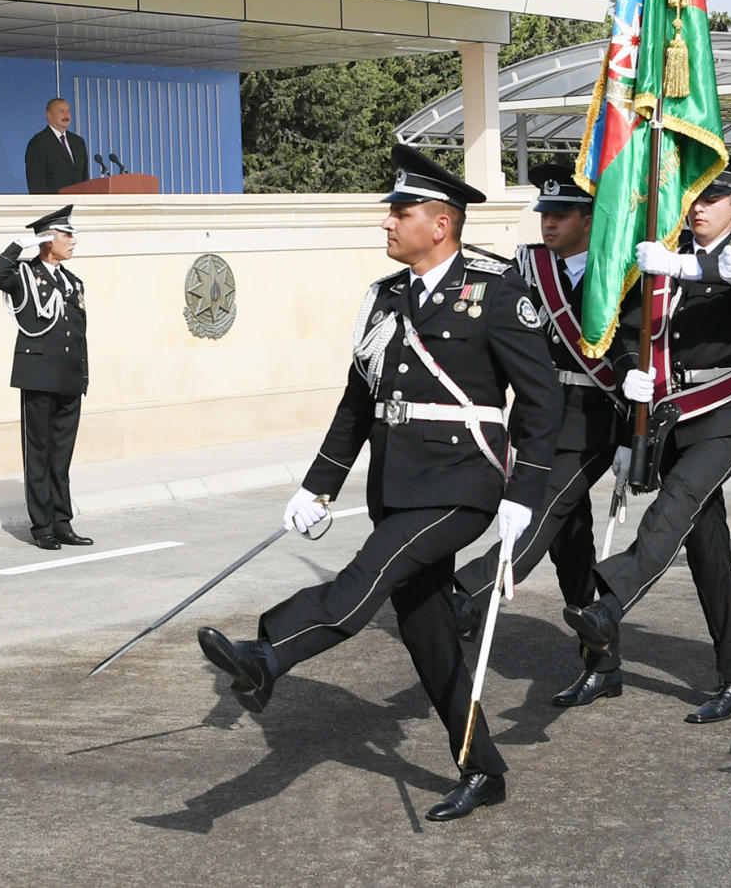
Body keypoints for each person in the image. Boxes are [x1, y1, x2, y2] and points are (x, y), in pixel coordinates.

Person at [195, 143, 562, 822]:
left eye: (401, 210)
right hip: (399, 484)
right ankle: (483, 766)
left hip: (464, 482)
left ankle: (269, 656)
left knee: (369, 572)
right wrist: (318, 485)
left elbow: (543, 403)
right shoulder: (386, 298)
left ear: (440, 224)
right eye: (390, 209)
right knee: (427, 636)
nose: (388, 221)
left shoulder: (496, 292)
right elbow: (358, 402)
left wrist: (524, 494)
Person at [563, 160, 731, 724]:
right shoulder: (665, 249)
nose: (699, 207)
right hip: (669, 414)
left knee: (675, 502)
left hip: (726, 413)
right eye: (694, 199)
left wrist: (680, 265)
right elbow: (632, 323)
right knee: (708, 551)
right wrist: (632, 370)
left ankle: (609, 606)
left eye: (714, 198)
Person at [449, 161, 626, 708]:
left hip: (595, 417)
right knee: (570, 543)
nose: (549, 224)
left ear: (591, 217)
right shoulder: (526, 267)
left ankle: (467, 593)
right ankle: (602, 661)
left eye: (562, 213)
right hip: (541, 417)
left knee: (540, 511)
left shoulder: (618, 270)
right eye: (545, 213)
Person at [0, 205, 92, 550]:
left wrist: (83, 377)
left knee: (61, 457)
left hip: (68, 379)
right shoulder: (26, 275)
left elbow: (79, 334)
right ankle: (42, 526)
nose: (73, 241)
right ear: (49, 239)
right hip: (39, 377)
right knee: (39, 453)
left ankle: (63, 522)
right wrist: (19, 246)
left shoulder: (73, 281)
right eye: (67, 234)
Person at [24, 97, 90, 194]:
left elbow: (84, 178)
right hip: (53, 206)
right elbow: (36, 182)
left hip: (78, 205)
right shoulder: (39, 142)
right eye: (61, 112)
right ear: (49, 115)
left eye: (68, 111)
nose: (66, 115)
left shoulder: (78, 142)